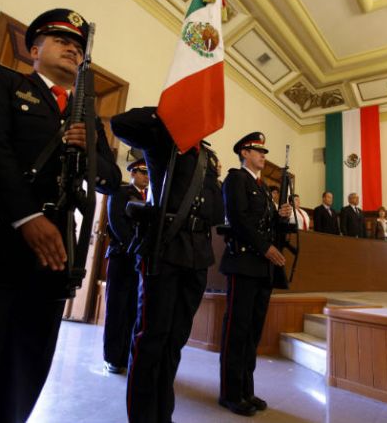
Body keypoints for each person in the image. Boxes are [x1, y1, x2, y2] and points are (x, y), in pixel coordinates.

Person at [0, 8, 121, 423]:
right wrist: (25, 217)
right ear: (35, 49)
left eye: (78, 48)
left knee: (29, 357)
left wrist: (91, 146)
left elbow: (110, 180)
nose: (73, 51)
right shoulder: (2, 81)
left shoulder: (84, 114)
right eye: (63, 42)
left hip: (56, 254)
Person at [110, 107, 224, 423]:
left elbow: (215, 212)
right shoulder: (164, 137)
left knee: (175, 341)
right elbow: (121, 124)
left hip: (198, 254)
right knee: (151, 339)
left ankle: (163, 414)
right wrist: (171, 109)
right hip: (165, 248)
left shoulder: (208, 158)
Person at [219, 132, 292, 417]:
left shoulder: (262, 188)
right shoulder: (236, 179)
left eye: (264, 151)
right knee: (236, 330)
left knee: (252, 332)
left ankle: (246, 390)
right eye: (258, 151)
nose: (263, 155)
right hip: (244, 262)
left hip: (262, 267)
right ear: (244, 153)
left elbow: (269, 225)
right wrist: (266, 248)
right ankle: (230, 392)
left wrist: (282, 215)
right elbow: (238, 219)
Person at [102, 159, 149, 375]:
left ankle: (126, 356)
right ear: (132, 172)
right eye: (141, 172)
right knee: (117, 307)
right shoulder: (120, 192)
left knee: (133, 308)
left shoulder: (150, 196)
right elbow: (116, 222)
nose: (146, 176)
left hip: (139, 259)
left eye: (148, 173)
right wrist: (135, 246)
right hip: (122, 255)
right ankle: (112, 357)